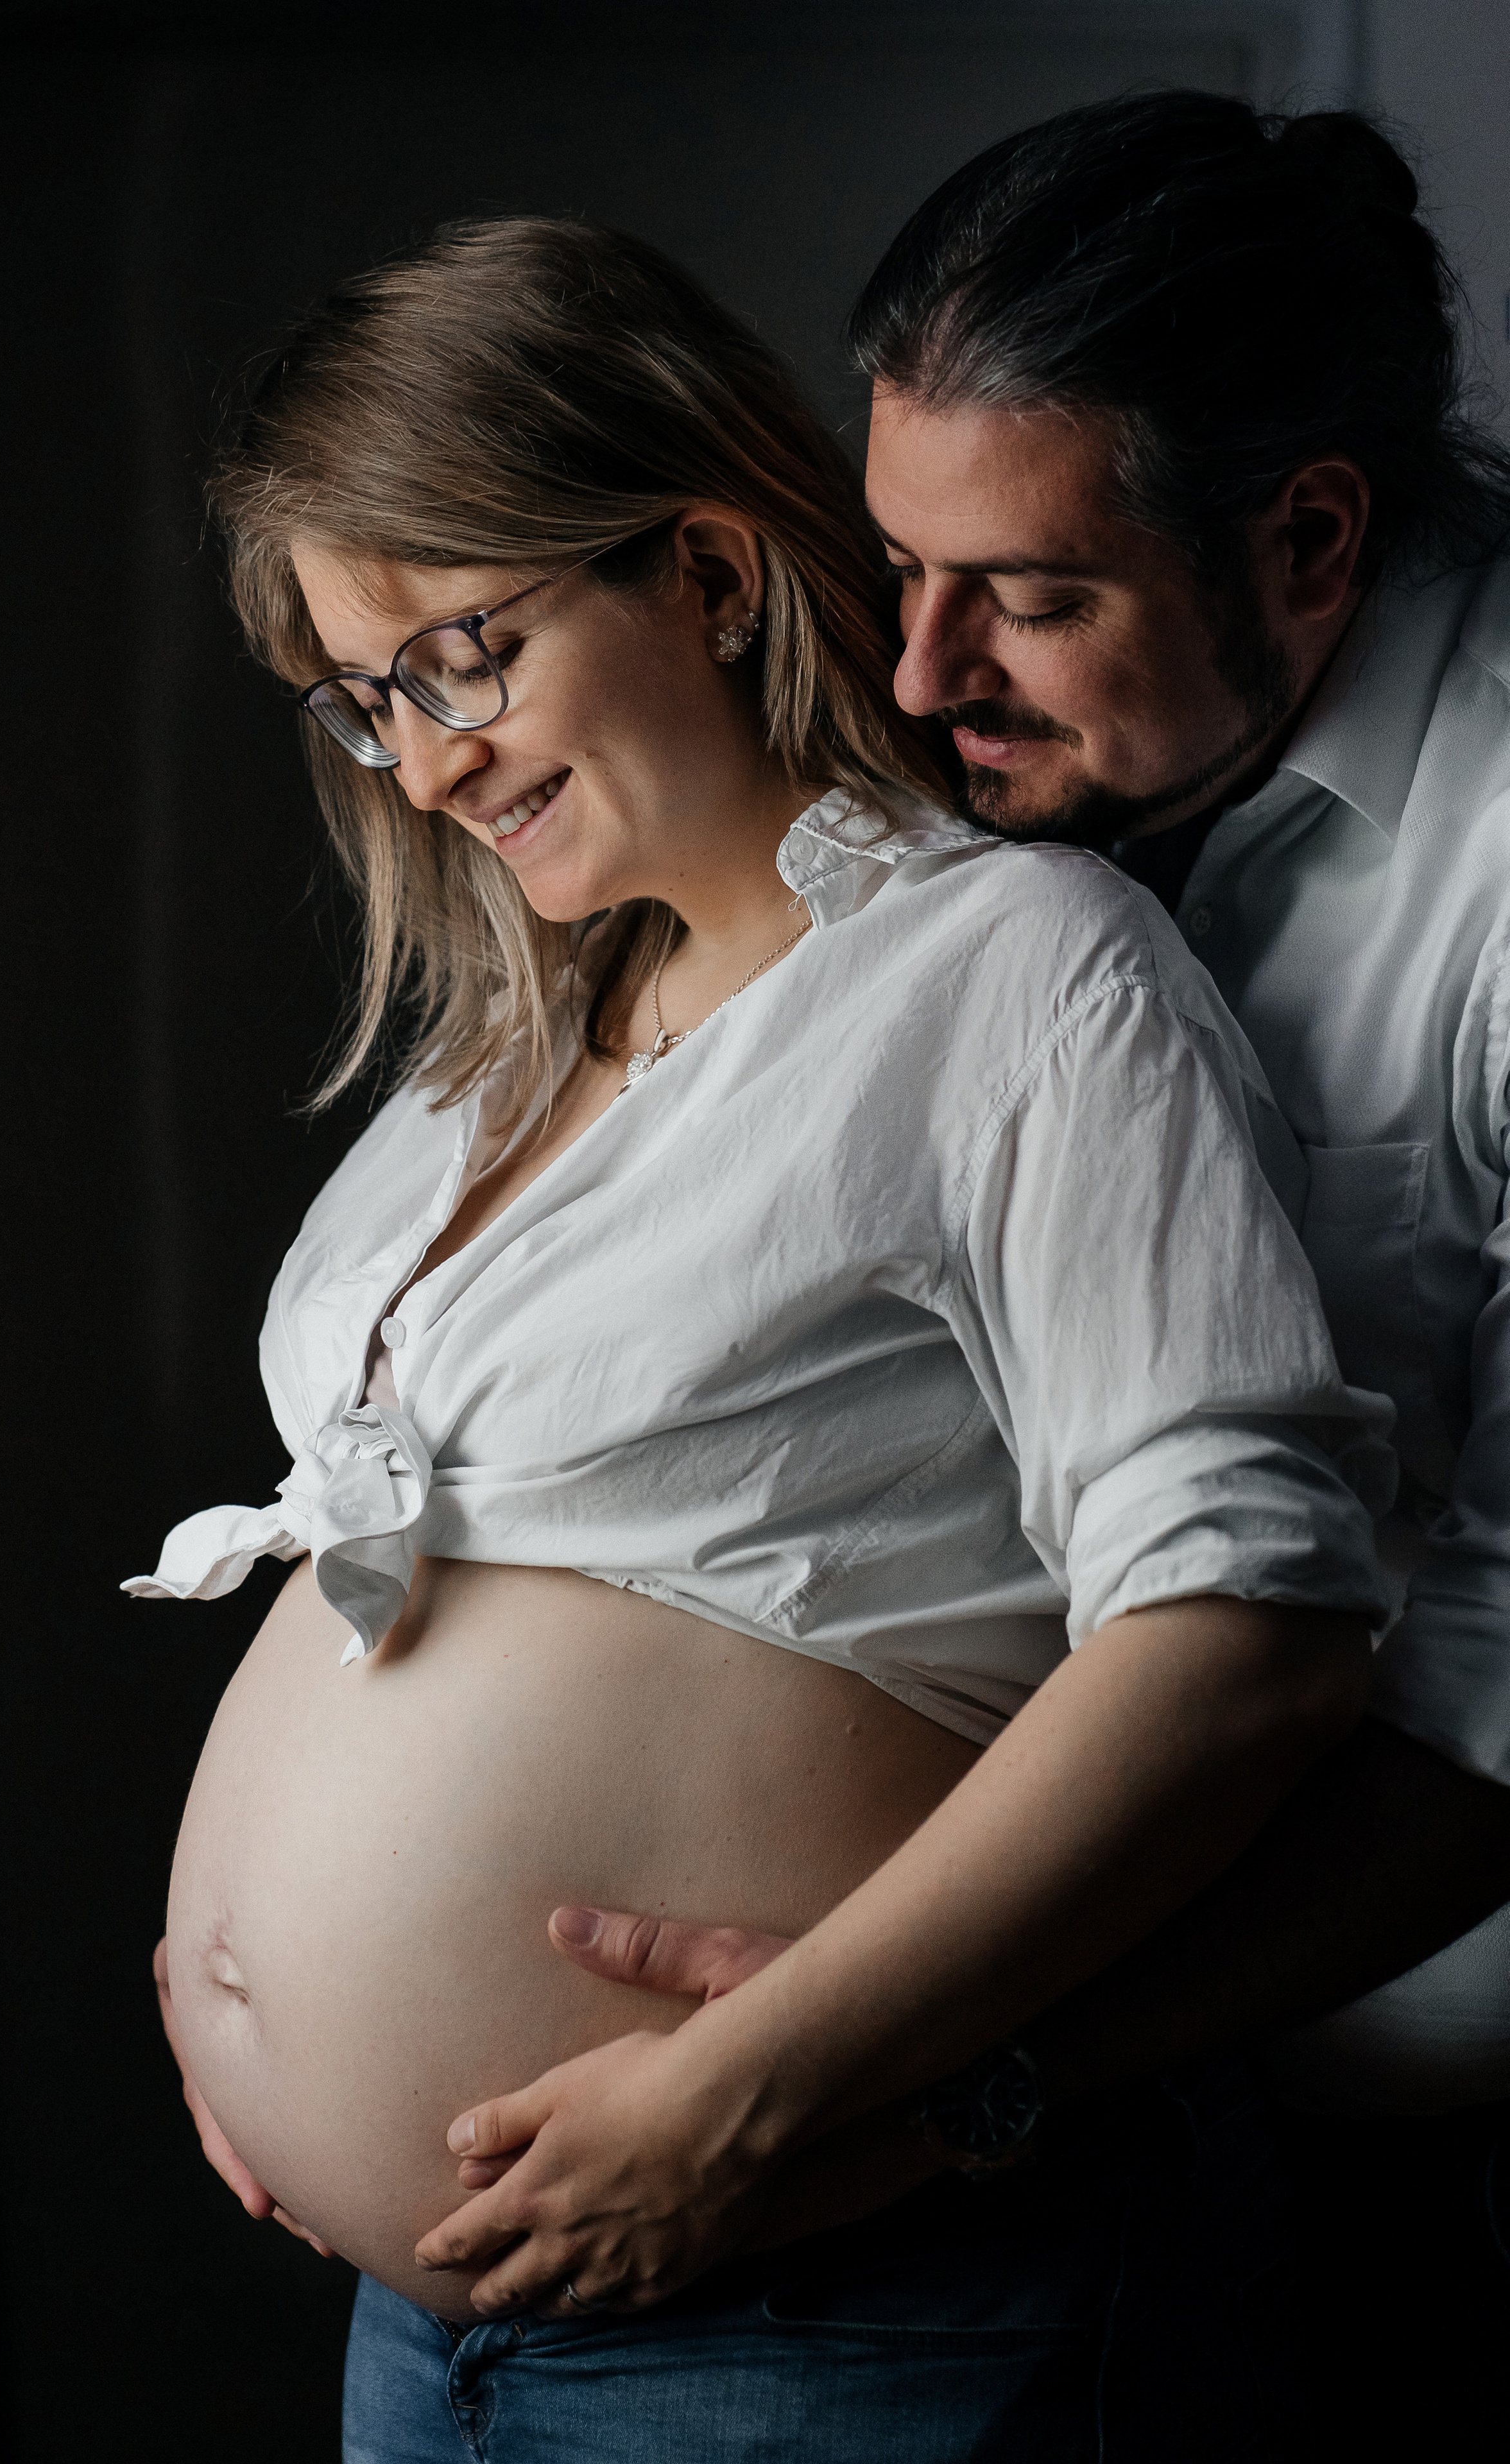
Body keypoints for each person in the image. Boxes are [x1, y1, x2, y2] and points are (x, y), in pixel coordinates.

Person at [135, 217, 1394, 2460]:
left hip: (796, 2280)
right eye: (362, 702)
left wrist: (745, 2092)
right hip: (421, 2326)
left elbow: (1248, 1630)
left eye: (459, 659)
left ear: (703, 569)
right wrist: (242, 1982)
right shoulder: (497, 1059)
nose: (417, 770)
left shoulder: (1017, 969)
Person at [529, 96, 1510, 2451]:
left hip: (1444, 2159)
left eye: (1034, 598)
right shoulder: (1002, 759)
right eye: (897, 564)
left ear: (1307, 537)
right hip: (1078, 2105)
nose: (926, 668)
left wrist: (957, 2047)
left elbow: (1501, 1669)